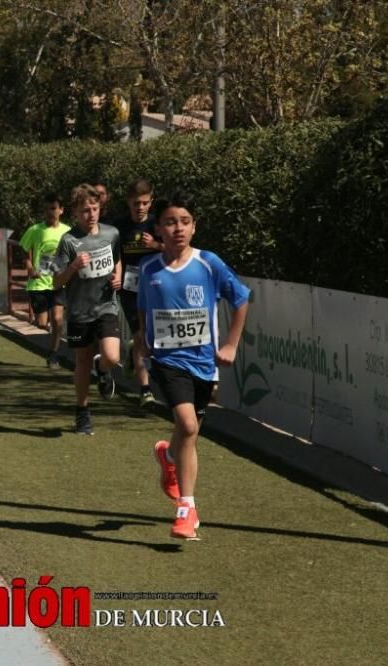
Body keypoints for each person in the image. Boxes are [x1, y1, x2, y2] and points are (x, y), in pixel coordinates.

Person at [140, 191, 249, 540]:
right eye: (170, 222)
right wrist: (140, 343)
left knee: (190, 435)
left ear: (194, 227)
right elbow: (142, 310)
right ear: (158, 228)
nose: (178, 228)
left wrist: (231, 343)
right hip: (168, 361)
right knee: (187, 425)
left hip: (204, 364)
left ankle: (168, 456)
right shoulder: (149, 270)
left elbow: (241, 298)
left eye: (185, 222)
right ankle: (187, 509)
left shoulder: (208, 263)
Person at [52, 184, 122, 435]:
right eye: (84, 211)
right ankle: (82, 412)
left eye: (94, 209)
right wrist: (72, 267)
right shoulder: (68, 241)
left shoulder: (111, 233)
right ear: (75, 212)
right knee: (81, 362)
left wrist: (118, 277)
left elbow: (117, 258)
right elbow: (55, 281)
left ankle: (103, 369)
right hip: (79, 311)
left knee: (112, 356)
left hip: (106, 306)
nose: (90, 215)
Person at [114, 178, 161, 406]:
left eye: (144, 203)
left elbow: (175, 249)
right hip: (130, 290)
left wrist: (156, 246)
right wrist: (116, 274)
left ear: (150, 202)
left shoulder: (157, 225)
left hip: (156, 289)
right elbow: (115, 255)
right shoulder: (119, 227)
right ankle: (145, 390)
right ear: (128, 202)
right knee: (141, 335)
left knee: (152, 338)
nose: (140, 208)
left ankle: (134, 352)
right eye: (135, 203)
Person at [20, 193, 71, 369]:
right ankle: (51, 337)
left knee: (57, 319)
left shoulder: (67, 231)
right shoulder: (34, 230)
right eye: (47, 208)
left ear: (61, 210)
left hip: (58, 282)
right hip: (39, 282)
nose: (50, 212)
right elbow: (25, 252)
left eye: (54, 208)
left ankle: (54, 354)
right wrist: (29, 268)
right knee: (42, 323)